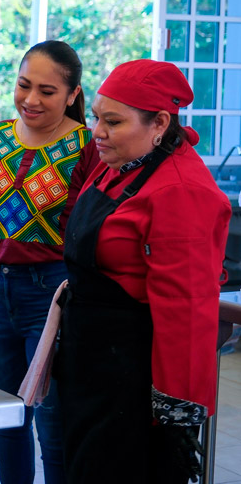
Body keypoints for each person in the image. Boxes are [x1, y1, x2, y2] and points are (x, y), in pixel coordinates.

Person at [54, 59, 230, 484]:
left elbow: (185, 313)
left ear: (160, 123)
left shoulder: (181, 191)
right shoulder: (119, 162)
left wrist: (174, 417)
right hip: (91, 360)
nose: (97, 132)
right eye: (97, 117)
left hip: (131, 376)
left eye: (113, 121)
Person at [0, 41, 98, 484]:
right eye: (23, 85)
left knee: (52, 422)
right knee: (5, 415)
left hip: (53, 294)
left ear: (72, 95)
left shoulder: (87, 147)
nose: (31, 99)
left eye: (47, 91)